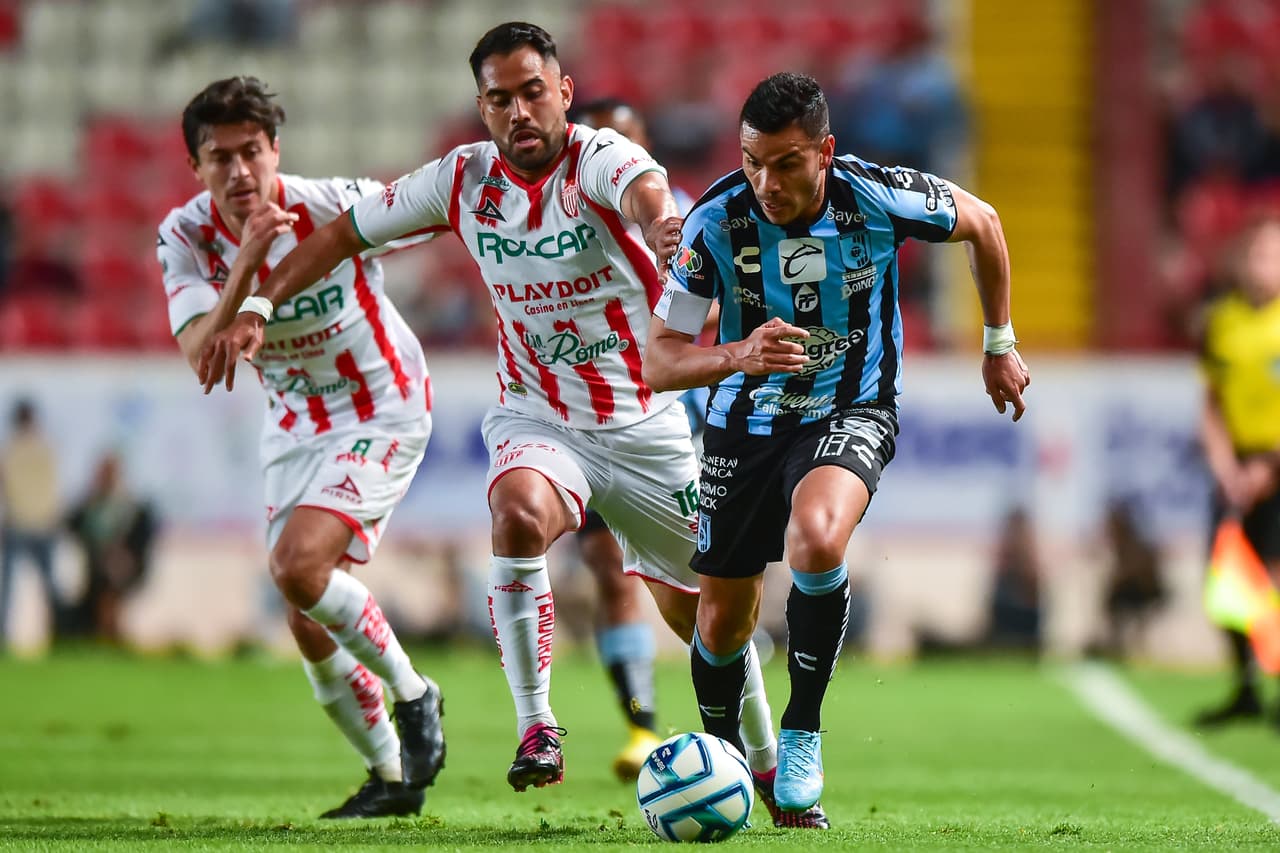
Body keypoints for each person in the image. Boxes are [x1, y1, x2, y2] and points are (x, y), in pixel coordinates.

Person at [197, 24, 800, 828]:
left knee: (713, 619)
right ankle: (538, 725)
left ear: (564, 91)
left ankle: (770, 775)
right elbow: (343, 233)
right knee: (516, 512)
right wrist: (264, 302)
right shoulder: (460, 179)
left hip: (644, 422)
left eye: (531, 91)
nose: (518, 110)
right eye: (499, 97)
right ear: (481, 106)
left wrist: (664, 232)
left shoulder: (603, 160)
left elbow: (649, 195)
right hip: (539, 415)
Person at [645, 72, 1030, 822]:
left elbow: (983, 222)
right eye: (753, 160)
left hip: (850, 406)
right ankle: (722, 762)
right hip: (743, 422)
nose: (766, 181)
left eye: (786, 163)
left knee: (817, 539)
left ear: (825, 152)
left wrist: (997, 343)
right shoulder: (715, 222)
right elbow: (660, 359)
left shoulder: (876, 196)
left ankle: (802, 727)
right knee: (722, 621)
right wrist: (736, 354)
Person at [155, 76, 444, 818]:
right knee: (302, 609)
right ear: (197, 167)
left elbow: (439, 214)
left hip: (381, 403)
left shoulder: (330, 202)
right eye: (220, 157)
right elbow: (202, 355)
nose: (240, 172)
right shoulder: (184, 235)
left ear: (275, 148)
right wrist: (247, 263)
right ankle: (391, 776)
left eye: (252, 151)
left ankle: (415, 694)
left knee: (297, 564)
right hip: (294, 421)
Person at [562, 96, 702, 781]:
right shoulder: (562, 219)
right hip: (587, 415)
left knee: (697, 578)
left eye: (627, 139)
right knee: (609, 569)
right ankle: (642, 726)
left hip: (679, 414)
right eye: (601, 140)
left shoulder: (685, 217)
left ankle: (733, 692)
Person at [1194, 215, 1280, 728]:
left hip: (1275, 463)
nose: (1261, 267)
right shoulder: (1222, 321)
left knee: (1271, 577)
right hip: (1237, 465)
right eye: (1256, 256)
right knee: (1227, 579)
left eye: (1271, 257)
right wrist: (1227, 467)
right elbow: (1210, 402)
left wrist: (1268, 468)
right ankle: (1246, 685)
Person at [63, 453, 157, 643]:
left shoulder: (131, 506)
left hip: (127, 569)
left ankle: (110, 636)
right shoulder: (91, 505)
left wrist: (125, 555)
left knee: (111, 587)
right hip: (99, 571)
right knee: (105, 587)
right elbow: (71, 524)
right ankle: (108, 636)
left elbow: (142, 539)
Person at [0, 399, 64, 645]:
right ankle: (59, 634)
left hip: (19, 524)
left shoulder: (11, 449)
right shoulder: (46, 447)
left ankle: (4, 637)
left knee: (10, 588)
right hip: (42, 524)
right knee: (49, 587)